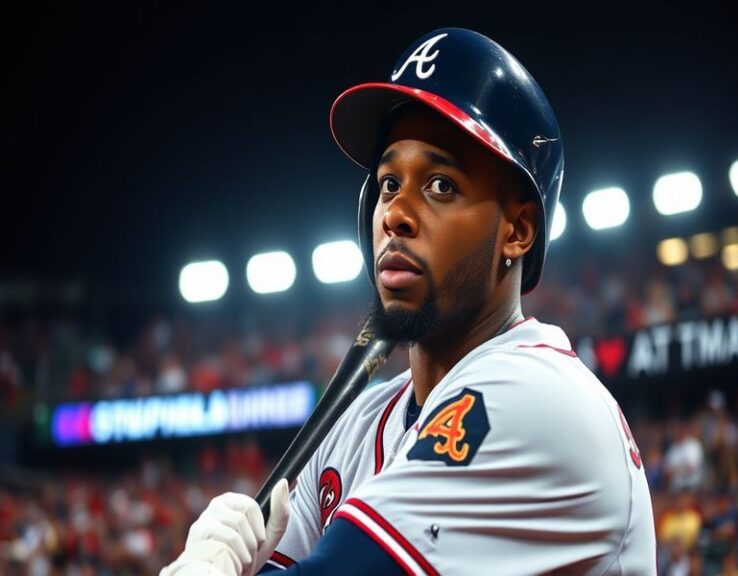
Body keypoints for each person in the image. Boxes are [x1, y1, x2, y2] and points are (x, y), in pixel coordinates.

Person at [161, 27, 657, 575]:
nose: (394, 213)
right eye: (389, 183)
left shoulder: (536, 398)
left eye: (441, 185)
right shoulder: (354, 425)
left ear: (517, 230)